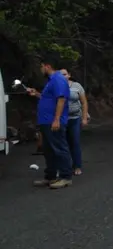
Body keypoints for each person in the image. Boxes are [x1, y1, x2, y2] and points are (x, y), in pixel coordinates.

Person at [27, 57, 73, 189]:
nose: (40, 69)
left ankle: (65, 177)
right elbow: (48, 99)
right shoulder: (52, 81)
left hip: (53, 121)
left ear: (47, 66)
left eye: (41, 66)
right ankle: (51, 177)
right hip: (46, 122)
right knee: (49, 151)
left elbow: (61, 99)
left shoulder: (58, 79)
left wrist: (57, 119)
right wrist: (36, 93)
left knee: (59, 148)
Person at [60, 69, 88, 176]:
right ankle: (64, 167)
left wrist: (84, 117)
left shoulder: (77, 86)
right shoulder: (56, 86)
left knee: (75, 142)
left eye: (65, 74)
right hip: (62, 119)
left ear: (69, 75)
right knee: (63, 144)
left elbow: (84, 102)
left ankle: (77, 166)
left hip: (75, 118)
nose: (63, 76)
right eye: (60, 75)